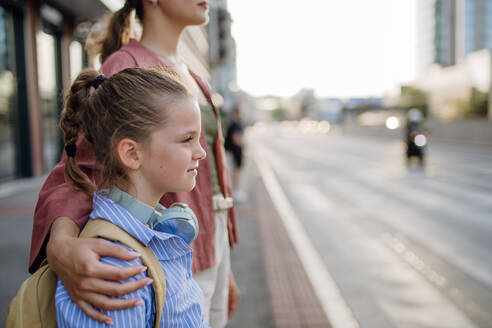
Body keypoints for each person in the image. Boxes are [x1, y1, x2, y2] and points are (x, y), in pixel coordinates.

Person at [29, 1, 239, 327]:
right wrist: (62, 244)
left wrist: (224, 260)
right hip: (163, 253)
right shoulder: (127, 66)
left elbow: (209, 170)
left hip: (207, 241)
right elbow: (78, 163)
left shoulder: (193, 74)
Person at [55, 67, 208, 327]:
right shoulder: (115, 268)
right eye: (187, 140)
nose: (201, 152)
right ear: (132, 154)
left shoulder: (146, 229)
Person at [224, 107, 246, 202]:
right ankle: (235, 192)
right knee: (235, 172)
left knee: (235, 172)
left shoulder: (233, 124)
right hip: (234, 152)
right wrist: (244, 144)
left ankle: (234, 191)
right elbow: (236, 139)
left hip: (232, 151)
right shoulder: (235, 124)